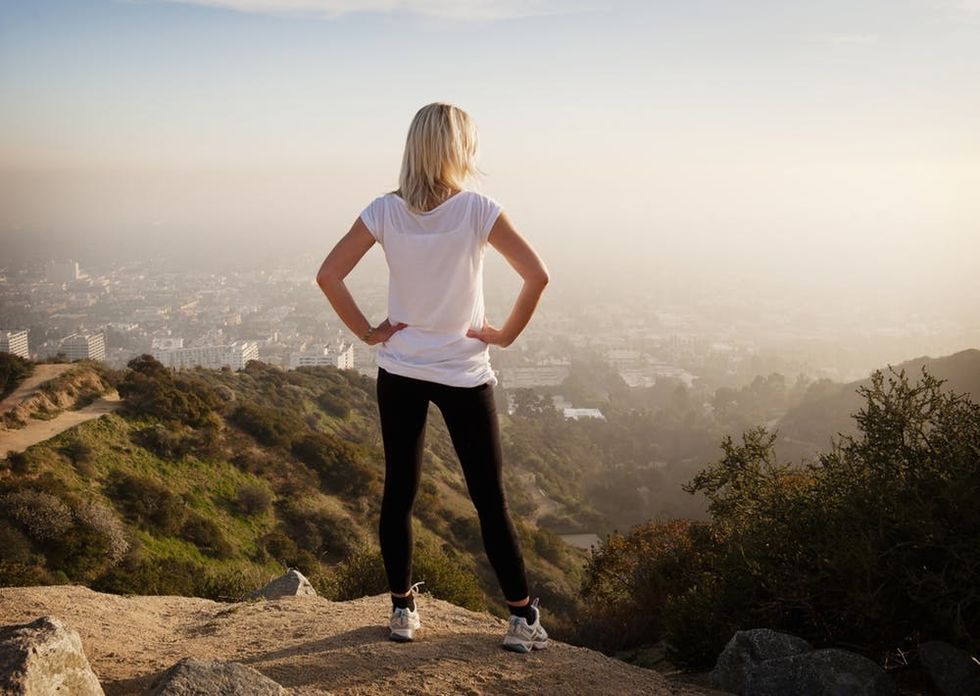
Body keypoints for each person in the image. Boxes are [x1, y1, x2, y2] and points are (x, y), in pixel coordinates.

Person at [315, 102, 551, 653]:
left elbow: (328, 275)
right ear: (459, 149)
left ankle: (402, 611)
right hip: (465, 371)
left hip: (400, 369)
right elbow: (538, 275)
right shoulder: (478, 209)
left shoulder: (383, 211)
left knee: (399, 492)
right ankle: (521, 619)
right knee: (489, 499)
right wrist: (505, 335)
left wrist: (368, 332)